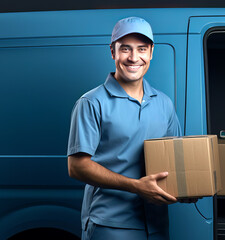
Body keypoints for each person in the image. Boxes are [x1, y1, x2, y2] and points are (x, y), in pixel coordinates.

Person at [67, 17, 182, 240]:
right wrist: (136, 187)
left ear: (151, 52)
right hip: (111, 226)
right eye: (125, 49)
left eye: (141, 49)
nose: (133, 57)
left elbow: (176, 160)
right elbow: (76, 166)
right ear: (113, 52)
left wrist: (187, 190)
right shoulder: (92, 102)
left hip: (157, 225)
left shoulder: (164, 103)